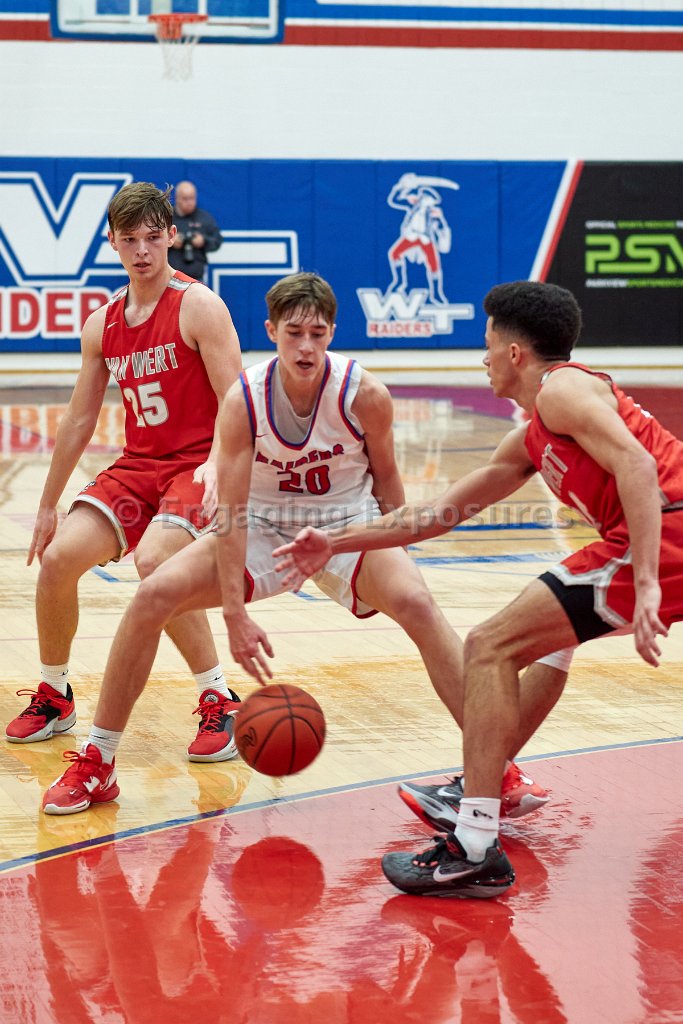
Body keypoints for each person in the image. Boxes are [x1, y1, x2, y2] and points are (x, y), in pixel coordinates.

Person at [39, 272, 565, 814]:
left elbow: (387, 481)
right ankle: (99, 762)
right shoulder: (244, 400)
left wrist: (397, 558)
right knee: (151, 597)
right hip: (265, 525)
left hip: (345, 523)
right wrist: (236, 614)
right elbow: (233, 514)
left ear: (332, 332)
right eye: (294, 333)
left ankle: (497, 769)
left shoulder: (365, 395)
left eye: (317, 334)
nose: (306, 347)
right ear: (272, 332)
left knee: (417, 603)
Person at [275, 278, 683, 898]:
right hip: (656, 538)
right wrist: (334, 541)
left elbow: (638, 464)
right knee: (544, 639)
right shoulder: (531, 435)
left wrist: (647, 581)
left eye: (488, 344)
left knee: (489, 645)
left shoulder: (562, 388)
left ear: (515, 353)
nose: (482, 357)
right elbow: (435, 515)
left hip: (664, 535)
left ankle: (473, 843)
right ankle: (482, 783)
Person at [6, 181, 244, 765]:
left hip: (194, 465)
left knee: (156, 563)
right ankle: (55, 694)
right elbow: (78, 418)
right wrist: (48, 504)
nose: (142, 250)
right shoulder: (102, 323)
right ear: (112, 241)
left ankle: (219, 696)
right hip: (139, 466)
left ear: (171, 237)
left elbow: (238, 401)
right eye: (130, 239)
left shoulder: (199, 306)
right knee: (57, 559)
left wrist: (218, 464)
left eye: (152, 238)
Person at [168, 180, 222, 283]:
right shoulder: (167, 217)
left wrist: (203, 241)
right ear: (177, 198)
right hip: (171, 277)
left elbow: (217, 240)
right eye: (185, 199)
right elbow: (154, 240)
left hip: (196, 277)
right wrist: (170, 241)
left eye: (192, 198)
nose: (189, 202)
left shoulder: (204, 218)